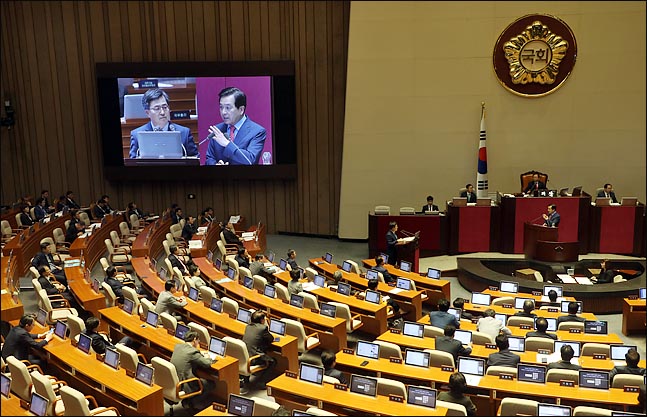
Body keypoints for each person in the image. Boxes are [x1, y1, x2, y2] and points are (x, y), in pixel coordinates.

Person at [129, 88, 199, 159]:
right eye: (157, 108)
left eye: (165, 107)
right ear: (148, 113)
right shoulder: (137, 135)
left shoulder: (184, 133)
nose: (162, 112)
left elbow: (195, 159)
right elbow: (133, 162)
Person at [205, 87, 267, 165]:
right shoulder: (218, 130)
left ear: (241, 110)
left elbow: (251, 160)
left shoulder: (257, 131)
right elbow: (209, 158)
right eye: (221, 107)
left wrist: (227, 144)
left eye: (228, 108)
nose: (223, 112)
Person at [170, 330, 215, 410]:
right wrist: (208, 358)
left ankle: (189, 400)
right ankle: (193, 402)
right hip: (184, 384)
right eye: (198, 340)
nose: (198, 342)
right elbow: (206, 364)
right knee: (210, 384)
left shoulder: (178, 347)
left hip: (174, 380)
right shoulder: (192, 352)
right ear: (194, 340)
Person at [242, 311, 277, 387]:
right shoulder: (263, 328)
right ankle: (261, 382)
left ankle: (246, 380)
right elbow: (270, 339)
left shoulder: (248, 327)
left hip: (245, 356)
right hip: (254, 358)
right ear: (262, 320)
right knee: (273, 361)